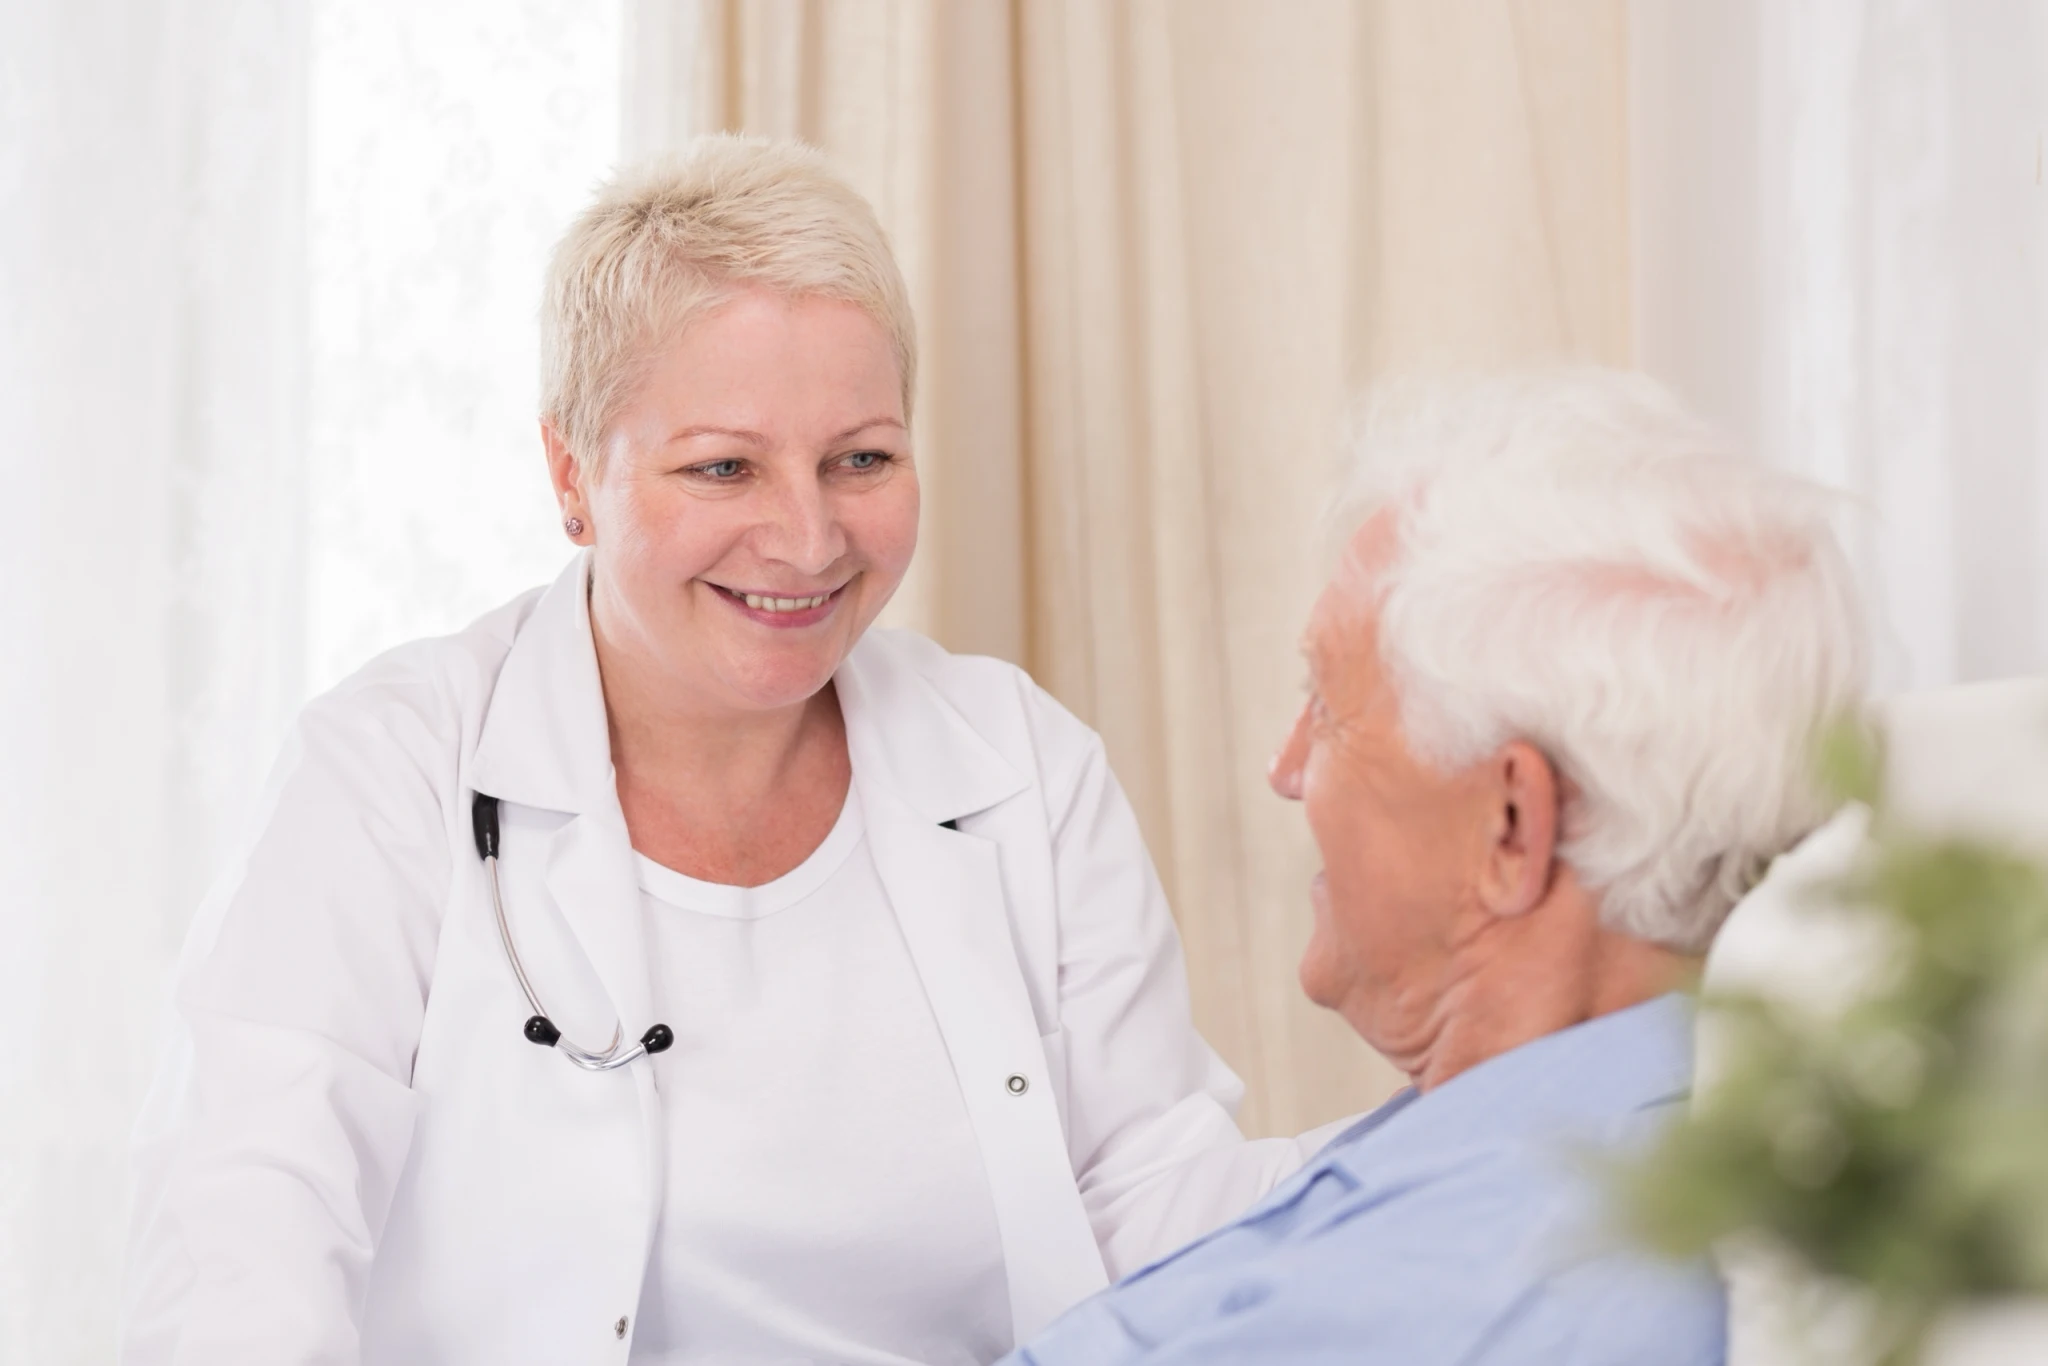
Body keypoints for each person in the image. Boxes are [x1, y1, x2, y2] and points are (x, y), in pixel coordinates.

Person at [121, 136, 1334, 1366]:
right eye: (722, 467)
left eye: (860, 457)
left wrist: (1474, 1134)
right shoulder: (390, 768)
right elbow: (243, 1246)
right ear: (571, 476)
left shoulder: (1020, 766)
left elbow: (1154, 1214)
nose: (805, 539)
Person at [1004, 371, 1870, 1365]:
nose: (1285, 769)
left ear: (1509, 826)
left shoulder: (1455, 1294)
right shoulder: (1645, 1136)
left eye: (1326, 706)